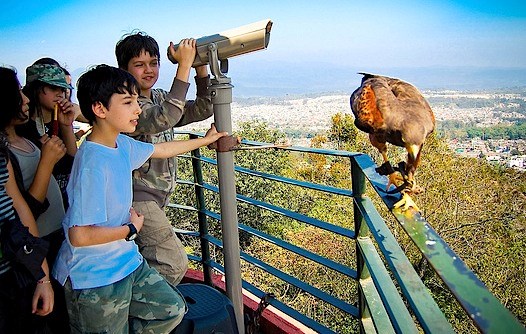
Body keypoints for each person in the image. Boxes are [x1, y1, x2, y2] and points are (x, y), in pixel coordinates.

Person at [52, 64, 226, 333]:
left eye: (136, 101)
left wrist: (205, 142)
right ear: (100, 109)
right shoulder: (92, 163)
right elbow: (80, 236)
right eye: (128, 102)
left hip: (126, 263)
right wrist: (131, 229)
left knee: (171, 309)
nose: (138, 109)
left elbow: (162, 149)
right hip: (94, 277)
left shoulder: (120, 144)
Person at [115, 31, 214, 285]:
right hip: (138, 197)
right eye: (139, 65)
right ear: (124, 69)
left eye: (154, 63)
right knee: (173, 263)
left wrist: (200, 69)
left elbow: (202, 108)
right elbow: (164, 117)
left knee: (144, 260)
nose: (148, 70)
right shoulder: (129, 105)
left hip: (155, 198)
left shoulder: (158, 97)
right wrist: (184, 65)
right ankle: (146, 312)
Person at [8, 63, 71, 333]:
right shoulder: (14, 144)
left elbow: (69, 163)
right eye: (54, 88)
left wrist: (66, 127)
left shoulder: (30, 136)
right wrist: (46, 162)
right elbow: (23, 212)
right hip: (38, 243)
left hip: (54, 234)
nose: (22, 98)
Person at [0, 66, 54, 333]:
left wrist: (41, 276)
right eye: (17, 92)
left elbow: (19, 208)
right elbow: (29, 203)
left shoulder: (4, 150)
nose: (25, 99)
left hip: (18, 268)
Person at [19, 61, 77, 209]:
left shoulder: (61, 121)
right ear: (36, 89)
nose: (60, 93)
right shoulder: (22, 128)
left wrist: (66, 125)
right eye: (53, 87)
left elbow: (72, 162)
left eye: (62, 88)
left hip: (63, 204)